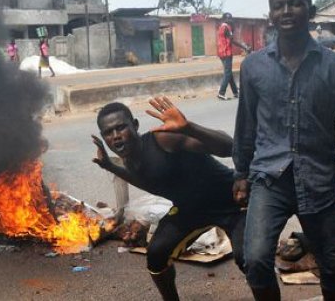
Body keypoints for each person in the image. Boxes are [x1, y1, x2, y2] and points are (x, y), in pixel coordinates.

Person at [233, 0, 335, 301]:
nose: (286, 10)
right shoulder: (254, 67)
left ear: (310, 10)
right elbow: (246, 126)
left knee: (333, 264)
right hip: (269, 180)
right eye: (279, 5)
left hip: (317, 180)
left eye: (294, 3)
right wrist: (241, 174)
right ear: (270, 14)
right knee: (254, 259)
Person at [92, 96, 246, 300]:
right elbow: (149, 183)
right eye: (108, 133)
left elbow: (229, 146)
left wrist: (189, 127)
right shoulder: (130, 159)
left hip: (230, 201)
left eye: (121, 128)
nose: (116, 136)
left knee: (249, 259)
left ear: (135, 125)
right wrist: (110, 166)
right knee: (156, 254)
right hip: (189, 210)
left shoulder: (163, 139)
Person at [216, 13, 249, 100]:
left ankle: (235, 92)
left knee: (229, 73)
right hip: (226, 53)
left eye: (230, 19)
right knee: (227, 74)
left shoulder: (221, 27)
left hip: (221, 53)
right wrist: (244, 47)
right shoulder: (227, 27)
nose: (230, 20)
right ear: (225, 19)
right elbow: (232, 40)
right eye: (229, 19)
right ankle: (221, 92)